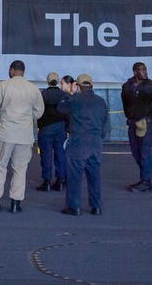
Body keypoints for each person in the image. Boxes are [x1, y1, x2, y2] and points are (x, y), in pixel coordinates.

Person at [0, 60, 44, 214]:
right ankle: (16, 203)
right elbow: (39, 113)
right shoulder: (33, 89)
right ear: (23, 71)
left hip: (5, 134)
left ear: (12, 70)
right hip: (25, 136)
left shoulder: (3, 86)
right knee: (20, 170)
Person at [58, 74, 110, 216]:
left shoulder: (75, 100)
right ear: (92, 86)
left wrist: (69, 93)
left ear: (78, 86)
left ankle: (74, 207)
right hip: (95, 141)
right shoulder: (101, 101)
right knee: (94, 174)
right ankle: (96, 206)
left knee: (74, 174)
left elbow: (61, 108)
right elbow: (105, 124)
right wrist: (98, 137)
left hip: (79, 140)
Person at [121, 62, 152, 193]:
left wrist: (151, 118)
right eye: (142, 70)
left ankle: (146, 181)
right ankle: (145, 177)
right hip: (132, 122)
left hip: (146, 123)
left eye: (145, 69)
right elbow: (125, 102)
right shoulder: (127, 86)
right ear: (135, 72)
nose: (145, 72)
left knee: (144, 151)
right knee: (136, 152)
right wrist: (128, 116)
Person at [36, 72, 69, 192]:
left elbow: (38, 111)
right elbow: (67, 112)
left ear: (47, 81)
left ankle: (47, 182)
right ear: (58, 81)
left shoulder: (42, 94)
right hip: (61, 127)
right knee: (60, 153)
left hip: (46, 128)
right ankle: (60, 181)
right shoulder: (63, 95)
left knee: (46, 154)